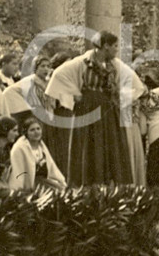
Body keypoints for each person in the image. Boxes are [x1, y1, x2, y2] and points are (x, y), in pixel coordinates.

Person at [45, 32, 144, 186]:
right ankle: (87, 183)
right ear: (105, 46)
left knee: (110, 144)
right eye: (115, 46)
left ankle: (108, 184)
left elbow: (136, 84)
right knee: (88, 145)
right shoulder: (82, 62)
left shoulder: (115, 65)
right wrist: (75, 93)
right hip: (87, 108)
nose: (116, 50)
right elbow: (59, 75)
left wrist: (120, 95)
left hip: (107, 110)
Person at [10, 116, 66, 191]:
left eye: (38, 129)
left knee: (63, 190)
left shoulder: (41, 145)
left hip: (43, 181)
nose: (36, 132)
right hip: (30, 184)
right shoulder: (20, 148)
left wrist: (61, 181)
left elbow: (52, 166)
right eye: (32, 130)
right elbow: (18, 172)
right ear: (26, 133)